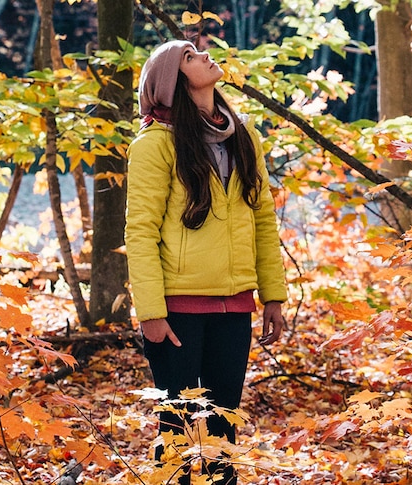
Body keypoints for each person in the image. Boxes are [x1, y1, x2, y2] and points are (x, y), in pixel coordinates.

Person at [125, 39, 288, 485]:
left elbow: (262, 218)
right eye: (190, 57)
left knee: (223, 431)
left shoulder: (242, 134)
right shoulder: (155, 144)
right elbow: (139, 232)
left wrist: (272, 294)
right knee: (175, 430)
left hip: (235, 307)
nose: (205, 56)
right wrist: (151, 313)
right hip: (177, 310)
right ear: (173, 80)